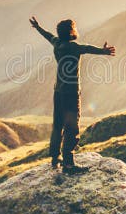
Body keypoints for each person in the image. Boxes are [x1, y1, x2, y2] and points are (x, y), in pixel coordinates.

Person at [29, 16, 115, 173]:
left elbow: (48, 35)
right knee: (71, 127)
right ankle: (68, 164)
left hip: (58, 91)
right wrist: (103, 51)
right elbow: (88, 48)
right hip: (71, 93)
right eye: (74, 28)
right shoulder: (74, 47)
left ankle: (55, 158)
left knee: (58, 125)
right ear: (70, 32)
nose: (76, 30)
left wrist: (38, 27)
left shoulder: (57, 43)